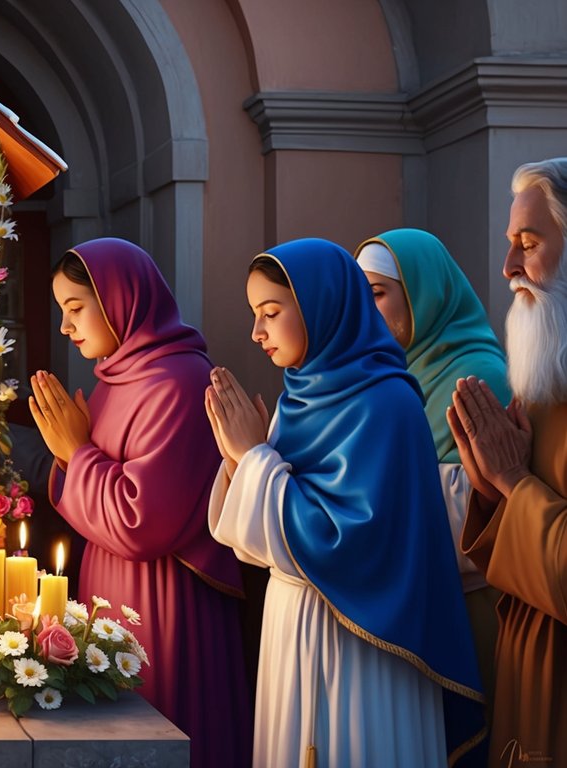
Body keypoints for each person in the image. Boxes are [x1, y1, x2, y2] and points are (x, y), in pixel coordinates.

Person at [206, 238, 484, 766]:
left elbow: (348, 540)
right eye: (254, 314)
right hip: (291, 625)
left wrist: (254, 459)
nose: (257, 332)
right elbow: (260, 541)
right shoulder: (297, 396)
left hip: (364, 646)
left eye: (270, 312)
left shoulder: (389, 404)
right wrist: (244, 462)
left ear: (322, 304)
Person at [27, 238, 251, 768]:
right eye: (63, 311)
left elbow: (140, 521)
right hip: (112, 583)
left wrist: (74, 452)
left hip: (164, 600)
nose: (65, 326)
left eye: (76, 309)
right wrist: (72, 456)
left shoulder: (179, 381)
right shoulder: (116, 377)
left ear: (118, 300)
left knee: (159, 722)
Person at [354, 230, 507, 717]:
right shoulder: (378, 375)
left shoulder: (480, 376)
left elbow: (491, 507)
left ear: (424, 293)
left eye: (377, 293)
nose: (365, 309)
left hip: (464, 606)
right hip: (400, 604)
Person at [452, 157, 567, 762]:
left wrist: (513, 483)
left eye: (529, 244)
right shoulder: (542, 384)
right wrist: (493, 491)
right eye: (509, 244)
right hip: (525, 666)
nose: (509, 267)